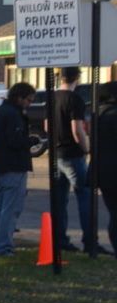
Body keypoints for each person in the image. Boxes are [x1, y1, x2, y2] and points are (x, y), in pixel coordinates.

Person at [49, 66, 99, 253]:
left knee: (60, 200)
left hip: (57, 155)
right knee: (85, 196)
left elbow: (47, 125)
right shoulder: (75, 99)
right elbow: (77, 129)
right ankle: (89, 241)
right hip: (73, 154)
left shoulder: (52, 97)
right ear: (76, 78)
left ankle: (60, 239)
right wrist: (86, 149)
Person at [0, 82, 36, 257]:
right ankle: (4, 246)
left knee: (2, 206)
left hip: (1, 164)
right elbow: (14, 141)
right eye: (28, 100)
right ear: (19, 97)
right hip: (14, 165)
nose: (29, 104)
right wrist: (31, 141)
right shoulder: (13, 115)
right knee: (11, 207)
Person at [92, 81, 117, 257]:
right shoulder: (113, 115)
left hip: (101, 169)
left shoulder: (97, 113)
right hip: (113, 170)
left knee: (113, 211)